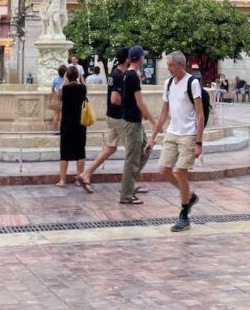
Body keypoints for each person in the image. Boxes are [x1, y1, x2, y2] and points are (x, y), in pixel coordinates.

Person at [147, 51, 204, 232]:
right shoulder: (169, 83)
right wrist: (153, 137)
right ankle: (189, 196)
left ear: (180, 65)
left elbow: (200, 115)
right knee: (164, 170)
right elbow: (163, 113)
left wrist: (199, 142)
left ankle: (184, 215)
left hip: (188, 135)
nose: (168, 68)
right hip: (172, 133)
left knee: (181, 172)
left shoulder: (192, 82)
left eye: (170, 65)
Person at [78, 49, 129, 192]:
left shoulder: (113, 73)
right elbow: (115, 99)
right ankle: (129, 185)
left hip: (111, 116)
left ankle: (86, 174)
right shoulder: (121, 75)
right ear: (127, 60)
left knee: (110, 148)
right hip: (119, 117)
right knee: (133, 151)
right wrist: (131, 104)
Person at [119, 46, 155, 204]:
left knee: (145, 151)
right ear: (140, 58)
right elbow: (140, 102)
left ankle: (128, 185)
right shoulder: (132, 76)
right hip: (133, 122)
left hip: (134, 121)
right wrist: (153, 120)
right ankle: (126, 194)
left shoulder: (128, 74)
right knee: (132, 158)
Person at [57, 66, 87, 187]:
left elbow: (58, 93)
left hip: (66, 123)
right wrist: (80, 79)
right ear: (77, 76)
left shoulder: (65, 89)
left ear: (67, 76)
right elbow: (85, 89)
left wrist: (64, 81)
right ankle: (79, 178)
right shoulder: (82, 88)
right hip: (80, 122)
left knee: (64, 152)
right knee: (80, 151)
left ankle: (62, 180)